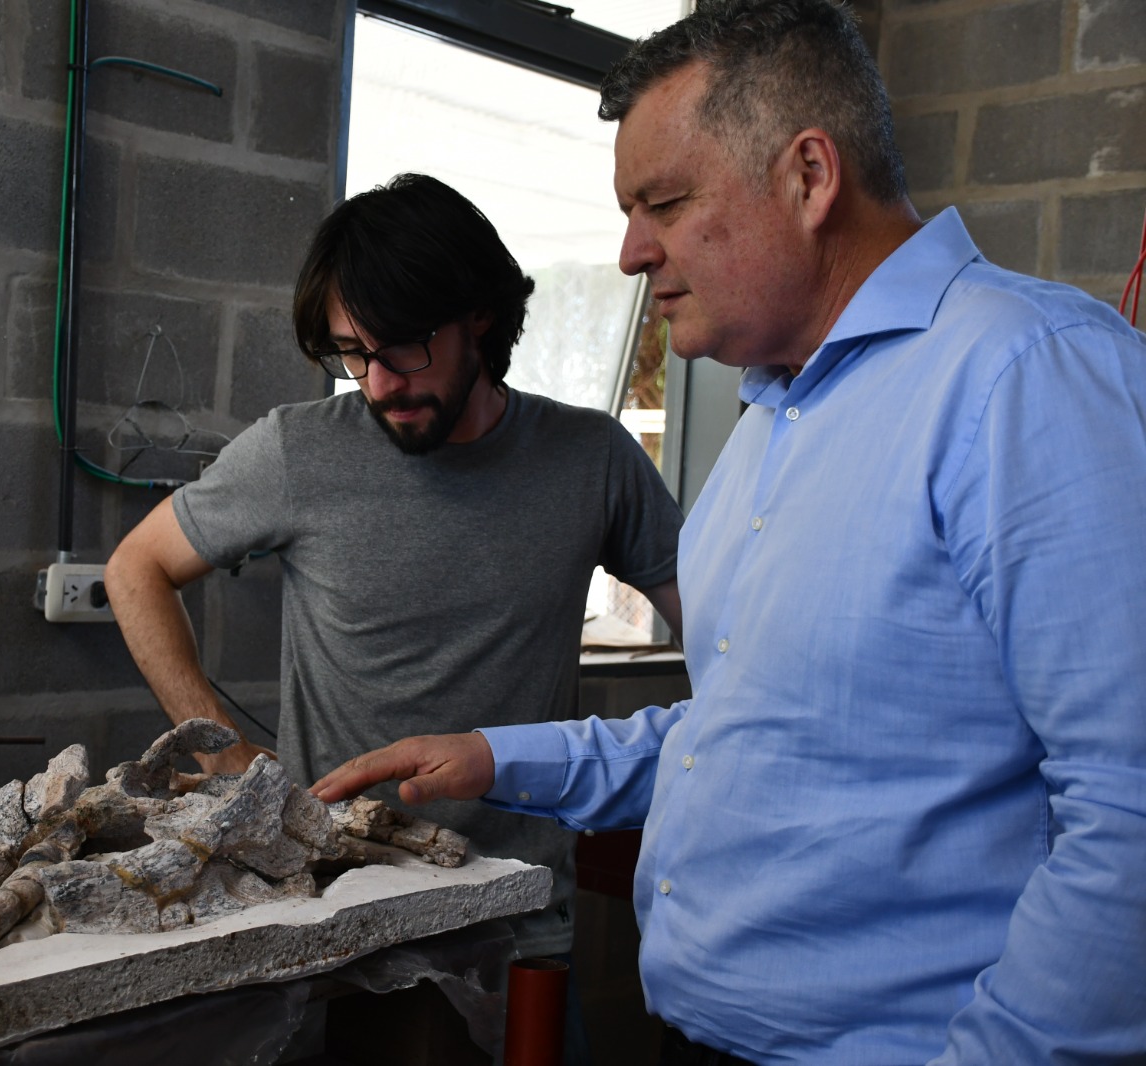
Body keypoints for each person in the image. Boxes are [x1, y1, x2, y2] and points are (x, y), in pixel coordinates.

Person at [312, 2, 1146, 1064]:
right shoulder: (772, 420)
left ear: (808, 176)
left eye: (663, 201)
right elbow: (742, 743)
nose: (628, 253)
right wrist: (491, 756)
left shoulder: (1025, 376)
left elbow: (1128, 808)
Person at [104, 172, 684, 972]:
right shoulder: (297, 449)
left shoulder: (594, 460)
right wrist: (224, 755)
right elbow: (135, 567)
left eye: (405, 347)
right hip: (333, 914)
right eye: (352, 354)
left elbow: (727, 639)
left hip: (516, 915)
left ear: (479, 316)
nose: (379, 384)